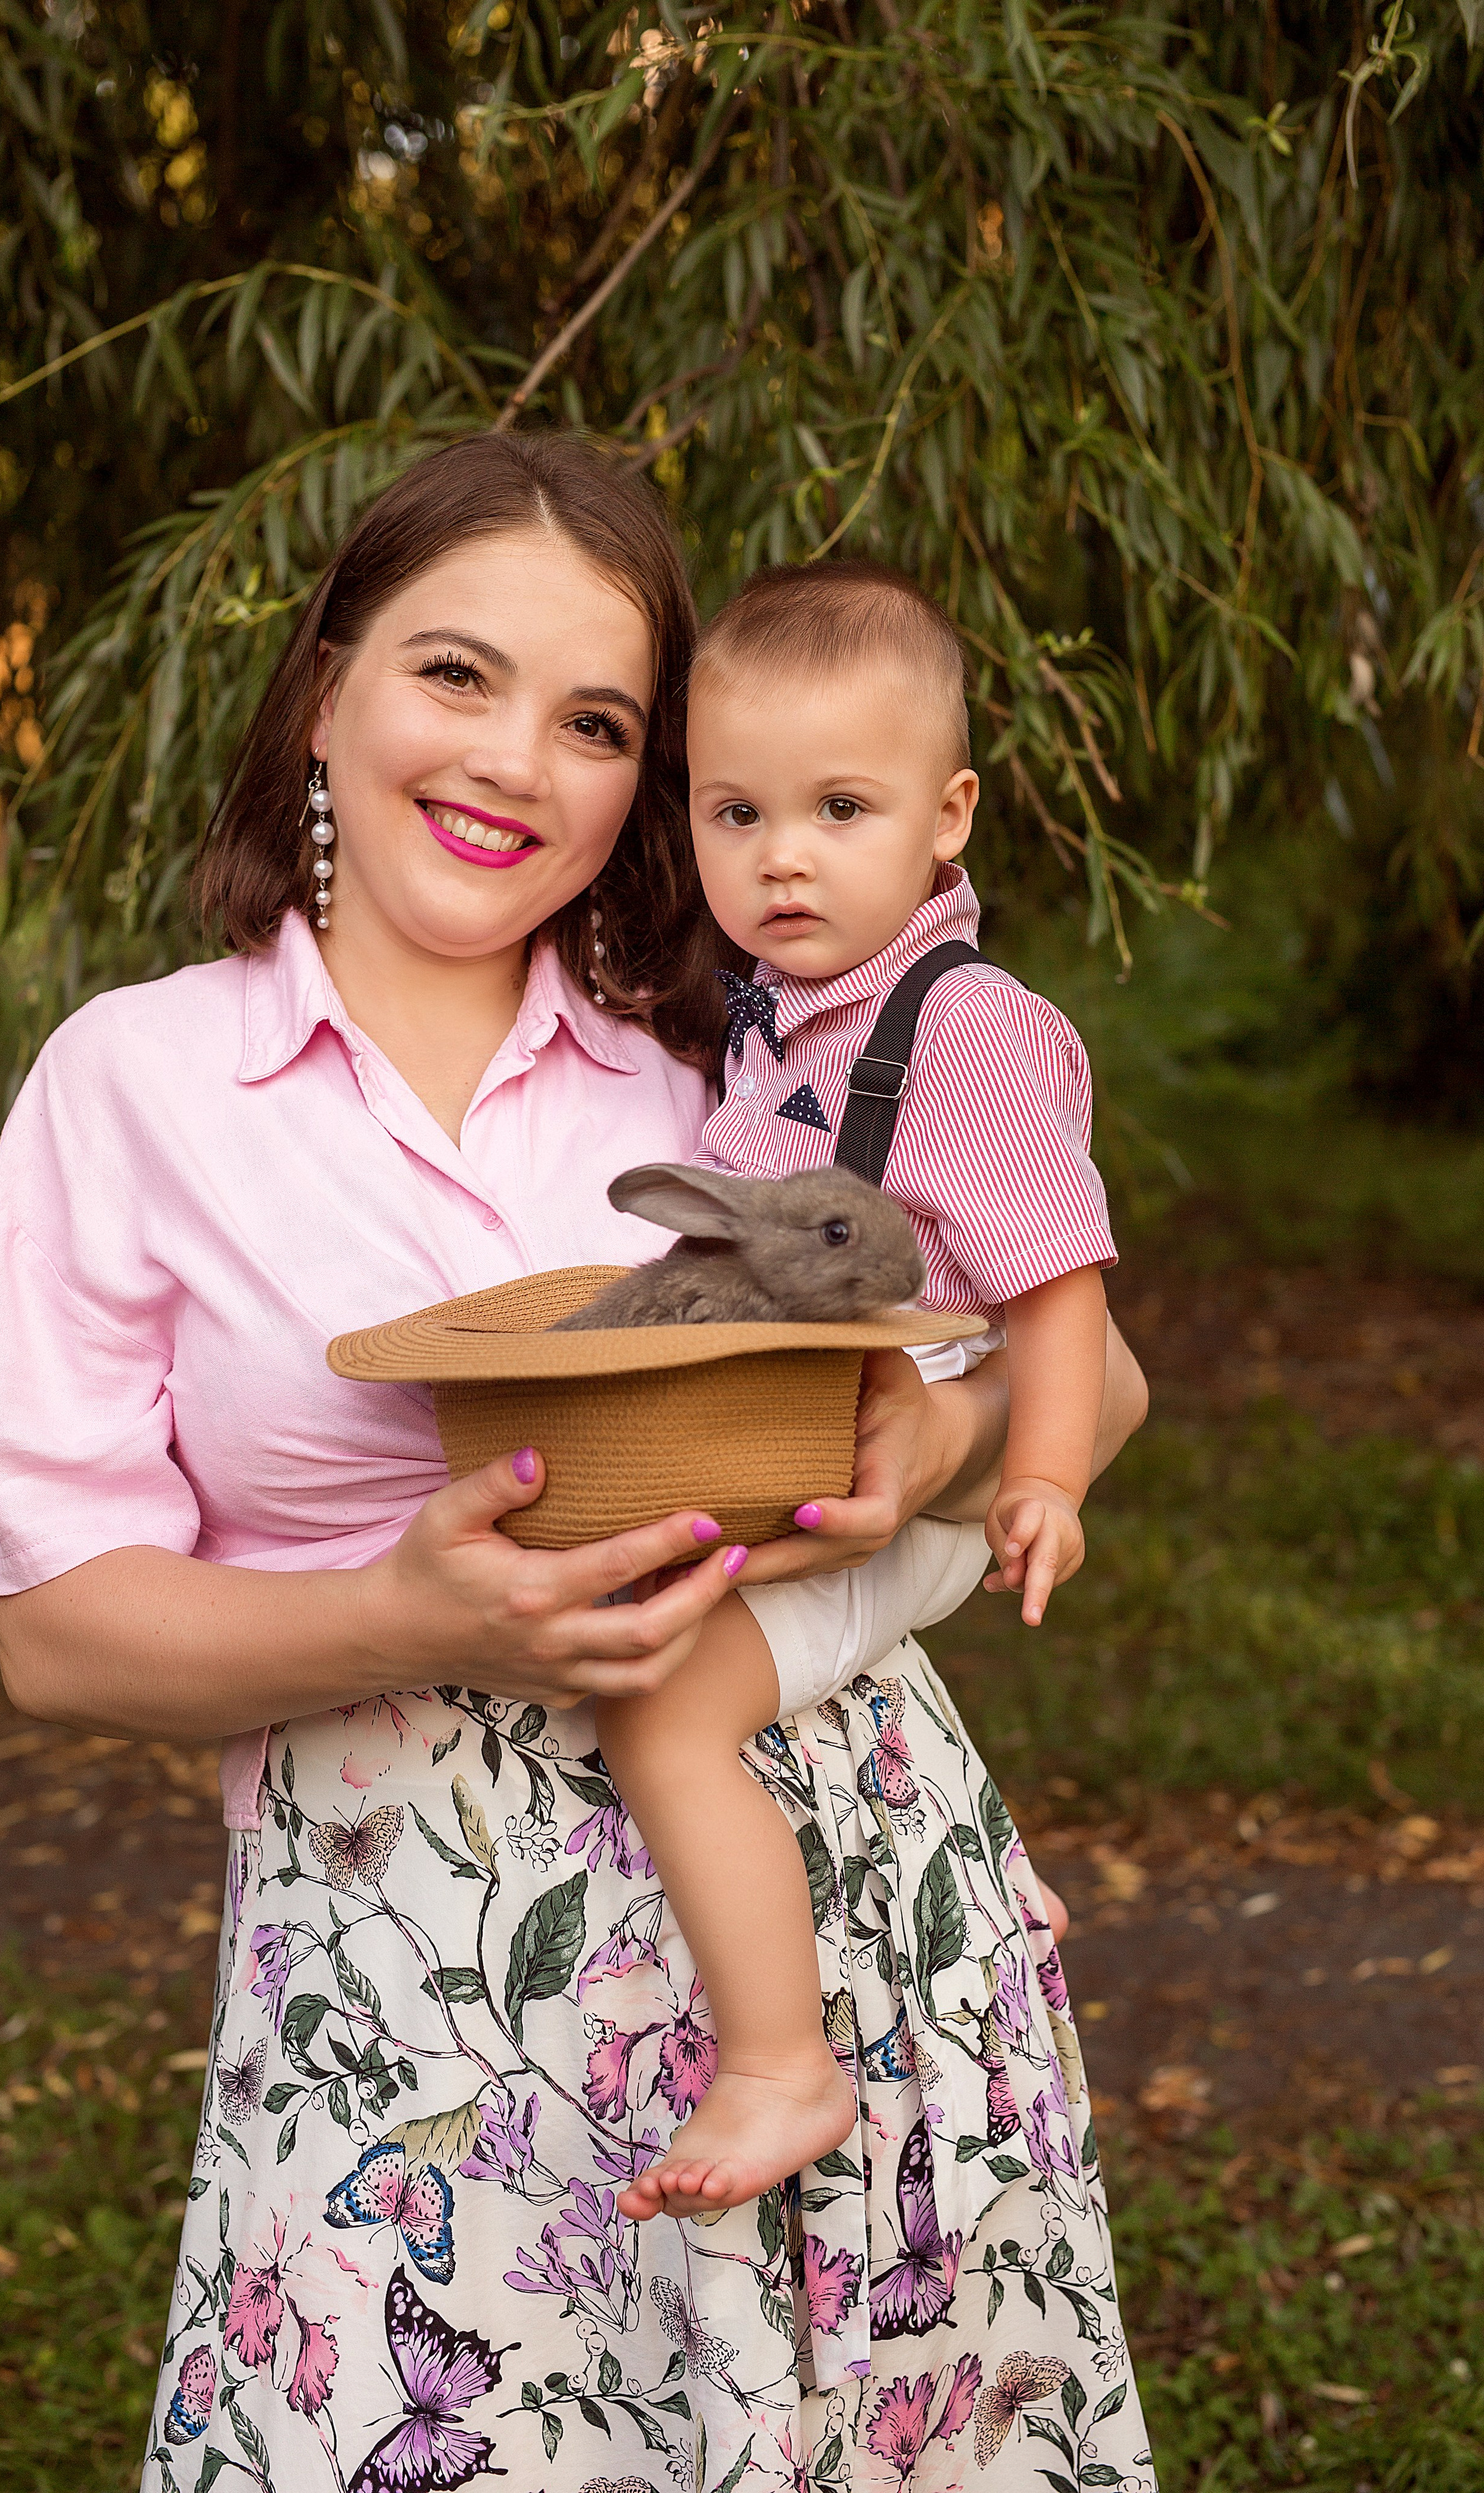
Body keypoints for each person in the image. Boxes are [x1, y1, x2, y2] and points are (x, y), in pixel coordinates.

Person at [0, 435, 1155, 2490]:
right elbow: (55, 1637)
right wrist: (398, 1615)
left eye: (595, 721)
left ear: (647, 779)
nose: (514, 762)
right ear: (327, 686)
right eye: (453, 675)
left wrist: (930, 1440)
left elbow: (1089, 1375)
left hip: (845, 1910)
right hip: (411, 2005)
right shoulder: (135, 1086)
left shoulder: (739, 1054)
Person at [602, 561, 1117, 2227]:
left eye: (839, 807)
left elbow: (1055, 1279)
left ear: (946, 817)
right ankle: (977, 1874)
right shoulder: (779, 1020)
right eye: (736, 812)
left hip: (928, 1453)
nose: (783, 855)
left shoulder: (950, 1026)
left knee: (668, 1703)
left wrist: (1039, 1477)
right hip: (813, 1435)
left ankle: (777, 2062)